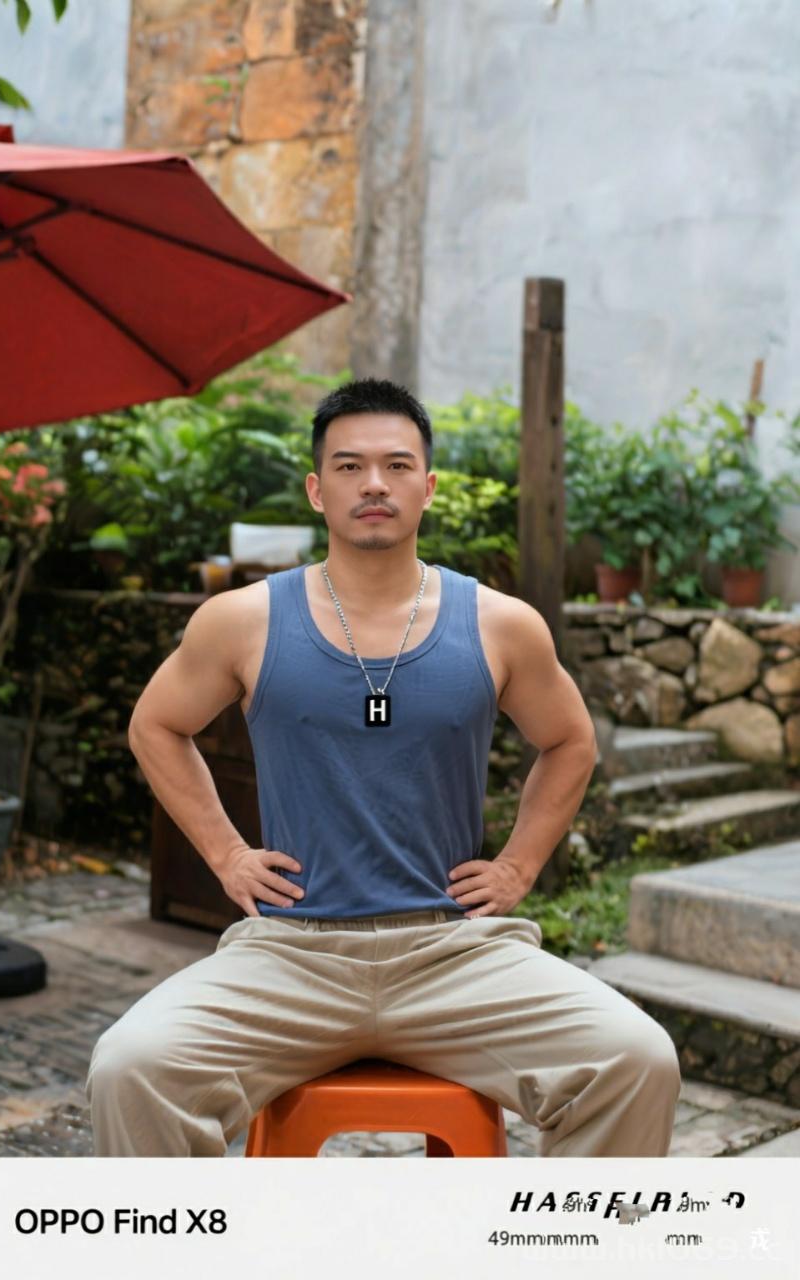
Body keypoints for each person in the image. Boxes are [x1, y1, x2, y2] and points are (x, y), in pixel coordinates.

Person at [85, 377, 681, 1157]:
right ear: (316, 490)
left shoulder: (500, 625)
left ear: (428, 488)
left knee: (637, 1061)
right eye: (349, 466)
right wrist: (227, 854)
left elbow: (570, 741)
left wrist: (518, 865)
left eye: (397, 465)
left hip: (453, 953)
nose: (374, 484)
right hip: (292, 954)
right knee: (130, 1068)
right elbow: (156, 725)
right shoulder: (242, 620)